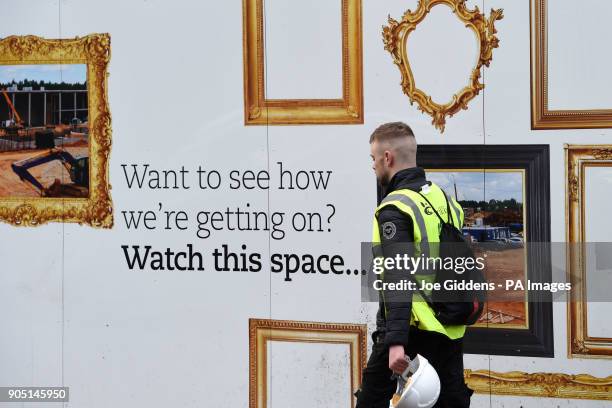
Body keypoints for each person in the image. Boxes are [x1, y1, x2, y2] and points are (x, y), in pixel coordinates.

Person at [354, 122, 474, 408]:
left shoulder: (396, 207)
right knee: (450, 401)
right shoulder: (444, 200)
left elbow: (398, 275)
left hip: (410, 328)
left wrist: (395, 342)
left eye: (373, 158)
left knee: (370, 402)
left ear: (387, 157)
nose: (373, 166)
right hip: (447, 328)